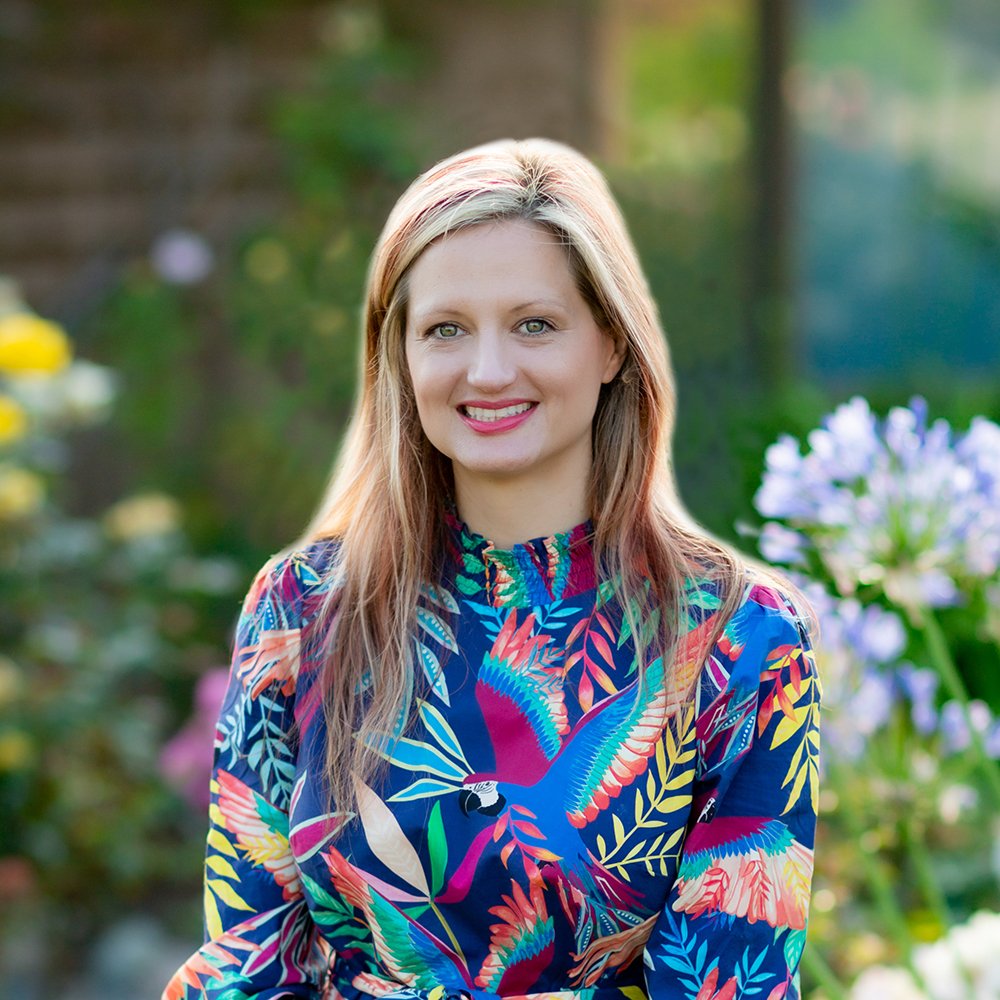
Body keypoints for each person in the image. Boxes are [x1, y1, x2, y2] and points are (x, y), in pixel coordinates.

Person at [164, 138, 821, 1000]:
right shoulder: (301, 612)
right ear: (399, 356)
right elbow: (243, 966)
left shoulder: (740, 636)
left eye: (535, 324)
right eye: (446, 330)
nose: (488, 371)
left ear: (613, 344)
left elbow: (731, 978)